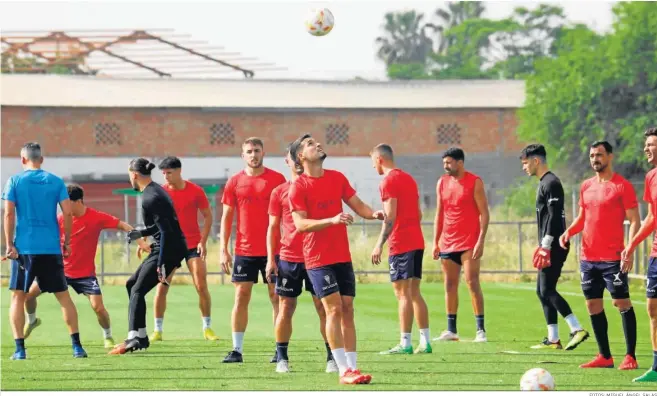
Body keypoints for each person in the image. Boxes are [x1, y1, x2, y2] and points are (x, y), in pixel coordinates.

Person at [289, 133, 383, 385]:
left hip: (342, 256)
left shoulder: (337, 177)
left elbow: (358, 205)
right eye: (310, 144)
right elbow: (299, 224)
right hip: (318, 259)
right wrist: (330, 220)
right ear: (301, 156)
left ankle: (353, 367)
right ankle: (343, 370)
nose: (317, 144)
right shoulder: (298, 186)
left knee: (348, 308)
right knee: (333, 309)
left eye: (317, 142)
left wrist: (375, 214)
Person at [22, 183, 150, 349]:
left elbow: (124, 225)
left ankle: (108, 335)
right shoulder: (60, 219)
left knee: (98, 308)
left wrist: (140, 240)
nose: (64, 207)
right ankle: (32, 321)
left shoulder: (96, 217)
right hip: (59, 270)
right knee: (28, 296)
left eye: (67, 203)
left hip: (85, 274)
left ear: (79, 201)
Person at [2, 142, 87, 360]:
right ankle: (77, 347)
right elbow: (68, 214)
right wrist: (67, 241)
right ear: (42, 159)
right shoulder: (56, 181)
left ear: (23, 160)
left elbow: (9, 214)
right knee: (64, 298)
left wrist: (9, 244)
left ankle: (20, 350)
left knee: (17, 298)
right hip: (51, 248)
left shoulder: (14, 181)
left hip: (24, 250)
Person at [559, 141, 640, 370]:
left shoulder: (622, 186)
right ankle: (604, 356)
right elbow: (582, 219)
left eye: (600, 155)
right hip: (588, 258)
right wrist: (568, 232)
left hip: (613, 258)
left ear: (610, 157)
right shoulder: (586, 186)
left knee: (621, 302)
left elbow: (634, 220)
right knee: (593, 305)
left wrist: (630, 247)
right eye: (592, 155)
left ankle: (630, 356)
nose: (596, 159)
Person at [266, 144, 338, 373]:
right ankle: (281, 358)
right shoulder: (279, 192)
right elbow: (272, 228)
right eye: (292, 158)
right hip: (290, 258)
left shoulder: (318, 185)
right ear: (289, 161)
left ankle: (331, 358)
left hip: (317, 256)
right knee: (285, 307)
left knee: (323, 308)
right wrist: (270, 258)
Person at [109, 158, 188, 355]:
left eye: (129, 176)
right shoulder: (154, 190)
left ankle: (133, 338)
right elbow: (161, 225)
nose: (130, 179)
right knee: (132, 284)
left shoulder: (150, 196)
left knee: (137, 290)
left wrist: (161, 263)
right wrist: (141, 233)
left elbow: (167, 231)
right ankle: (141, 336)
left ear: (134, 175)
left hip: (168, 249)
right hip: (165, 246)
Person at [220, 137, 286, 363]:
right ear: (243, 155)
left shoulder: (277, 179)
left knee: (276, 297)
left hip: (273, 251)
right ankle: (237, 350)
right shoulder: (234, 182)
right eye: (249, 151)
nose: (253, 155)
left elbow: (286, 215)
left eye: (256, 150)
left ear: (263, 152)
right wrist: (223, 249)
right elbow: (227, 217)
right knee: (241, 296)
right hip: (244, 251)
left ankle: (280, 349)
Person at [519, 144, 590, 350]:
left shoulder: (551, 183)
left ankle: (577, 329)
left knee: (547, 289)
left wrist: (546, 245)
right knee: (541, 291)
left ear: (536, 161)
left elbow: (554, 217)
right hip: (549, 244)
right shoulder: (543, 183)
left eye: (525, 163)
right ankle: (553, 339)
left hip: (556, 245)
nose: (524, 168)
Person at [369, 144, 432, 355]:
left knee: (402, 293)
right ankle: (425, 342)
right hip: (416, 241)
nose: (373, 167)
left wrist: (379, 244)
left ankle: (405, 343)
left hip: (401, 243)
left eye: (373, 162)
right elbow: (418, 214)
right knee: (415, 292)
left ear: (379, 159)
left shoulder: (387, 181)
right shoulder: (409, 179)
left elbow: (391, 216)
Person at [149, 156, 218, 342]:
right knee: (162, 287)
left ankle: (207, 328)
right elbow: (155, 222)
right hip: (170, 247)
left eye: (169, 173)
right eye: (163, 173)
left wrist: (203, 241)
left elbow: (208, 216)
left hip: (192, 245)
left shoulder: (196, 191)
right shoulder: (160, 193)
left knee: (201, 286)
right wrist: (153, 243)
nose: (166, 177)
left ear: (179, 171)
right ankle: (157, 330)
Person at [432, 147, 489, 342]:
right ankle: (451, 330)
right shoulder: (441, 182)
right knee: (449, 285)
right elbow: (439, 214)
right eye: (444, 163)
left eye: (449, 163)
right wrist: (435, 242)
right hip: (447, 243)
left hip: (469, 243)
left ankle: (480, 330)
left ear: (460, 162)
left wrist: (481, 240)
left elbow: (484, 214)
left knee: (472, 282)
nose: (446, 166)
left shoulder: (475, 182)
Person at [621, 127, 657, 383]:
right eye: (646, 144)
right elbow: (651, 217)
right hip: (656, 254)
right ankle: (656, 367)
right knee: (653, 309)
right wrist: (631, 245)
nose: (646, 148)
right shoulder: (651, 177)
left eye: (651, 144)